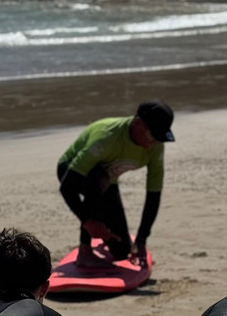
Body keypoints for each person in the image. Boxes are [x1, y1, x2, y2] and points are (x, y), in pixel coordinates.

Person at [57, 99, 174, 269]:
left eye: (160, 136)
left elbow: (153, 195)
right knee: (98, 179)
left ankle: (102, 232)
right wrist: (88, 221)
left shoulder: (155, 146)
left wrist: (141, 240)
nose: (155, 142)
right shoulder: (107, 137)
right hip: (71, 171)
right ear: (138, 123)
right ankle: (85, 250)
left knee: (121, 250)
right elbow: (67, 186)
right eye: (154, 135)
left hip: (106, 180)